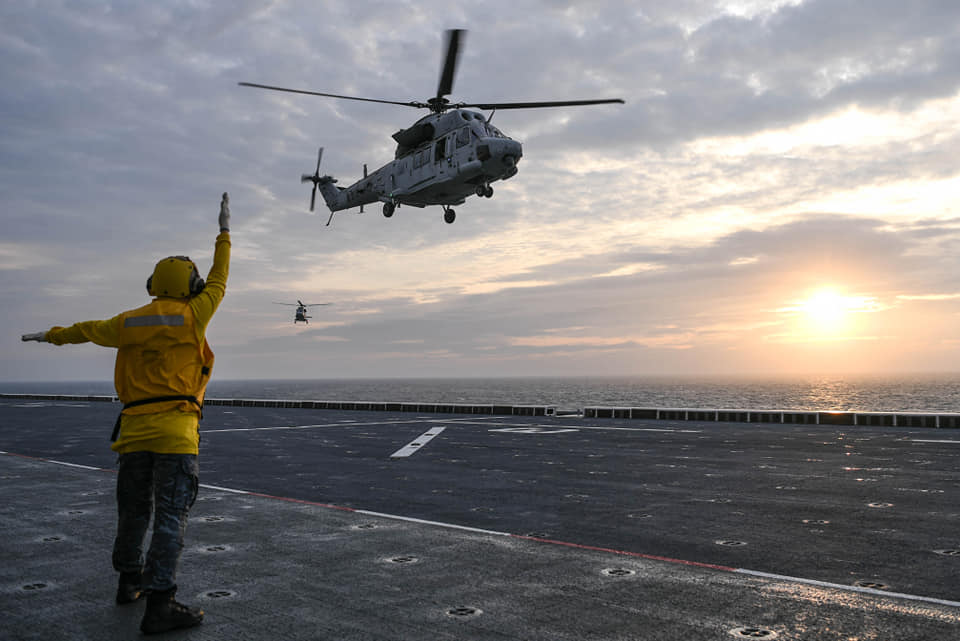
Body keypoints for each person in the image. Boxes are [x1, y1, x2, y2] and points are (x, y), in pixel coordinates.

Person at [21, 193, 232, 635]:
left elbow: (84, 331)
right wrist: (224, 233)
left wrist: (49, 335)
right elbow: (219, 280)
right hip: (176, 435)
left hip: (133, 434)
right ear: (189, 286)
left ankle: (128, 583)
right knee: (171, 517)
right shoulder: (195, 315)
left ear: (153, 283)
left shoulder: (128, 322)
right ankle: (161, 604)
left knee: (133, 513)